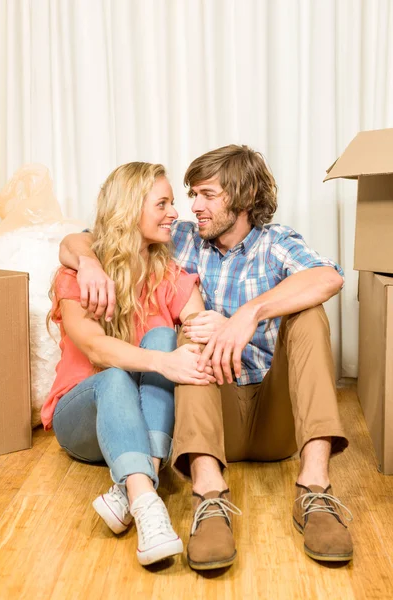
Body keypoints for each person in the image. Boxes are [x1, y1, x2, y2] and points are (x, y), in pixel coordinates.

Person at [59, 145, 353, 570]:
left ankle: (315, 488)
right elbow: (93, 236)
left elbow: (329, 276)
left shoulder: (276, 243)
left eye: (206, 195)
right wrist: (87, 261)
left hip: (276, 416)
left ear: (244, 196)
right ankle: (208, 495)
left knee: (308, 313)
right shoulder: (178, 238)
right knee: (188, 329)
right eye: (188, 195)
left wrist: (248, 315)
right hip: (218, 413)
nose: (191, 208)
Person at [43, 162, 216, 567]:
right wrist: (166, 363)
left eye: (173, 203)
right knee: (116, 374)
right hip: (81, 416)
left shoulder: (168, 273)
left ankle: (137, 491)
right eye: (163, 203)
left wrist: (213, 326)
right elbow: (97, 350)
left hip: (137, 426)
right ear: (129, 208)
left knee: (164, 337)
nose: (176, 212)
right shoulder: (80, 273)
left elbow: (194, 327)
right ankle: (148, 503)